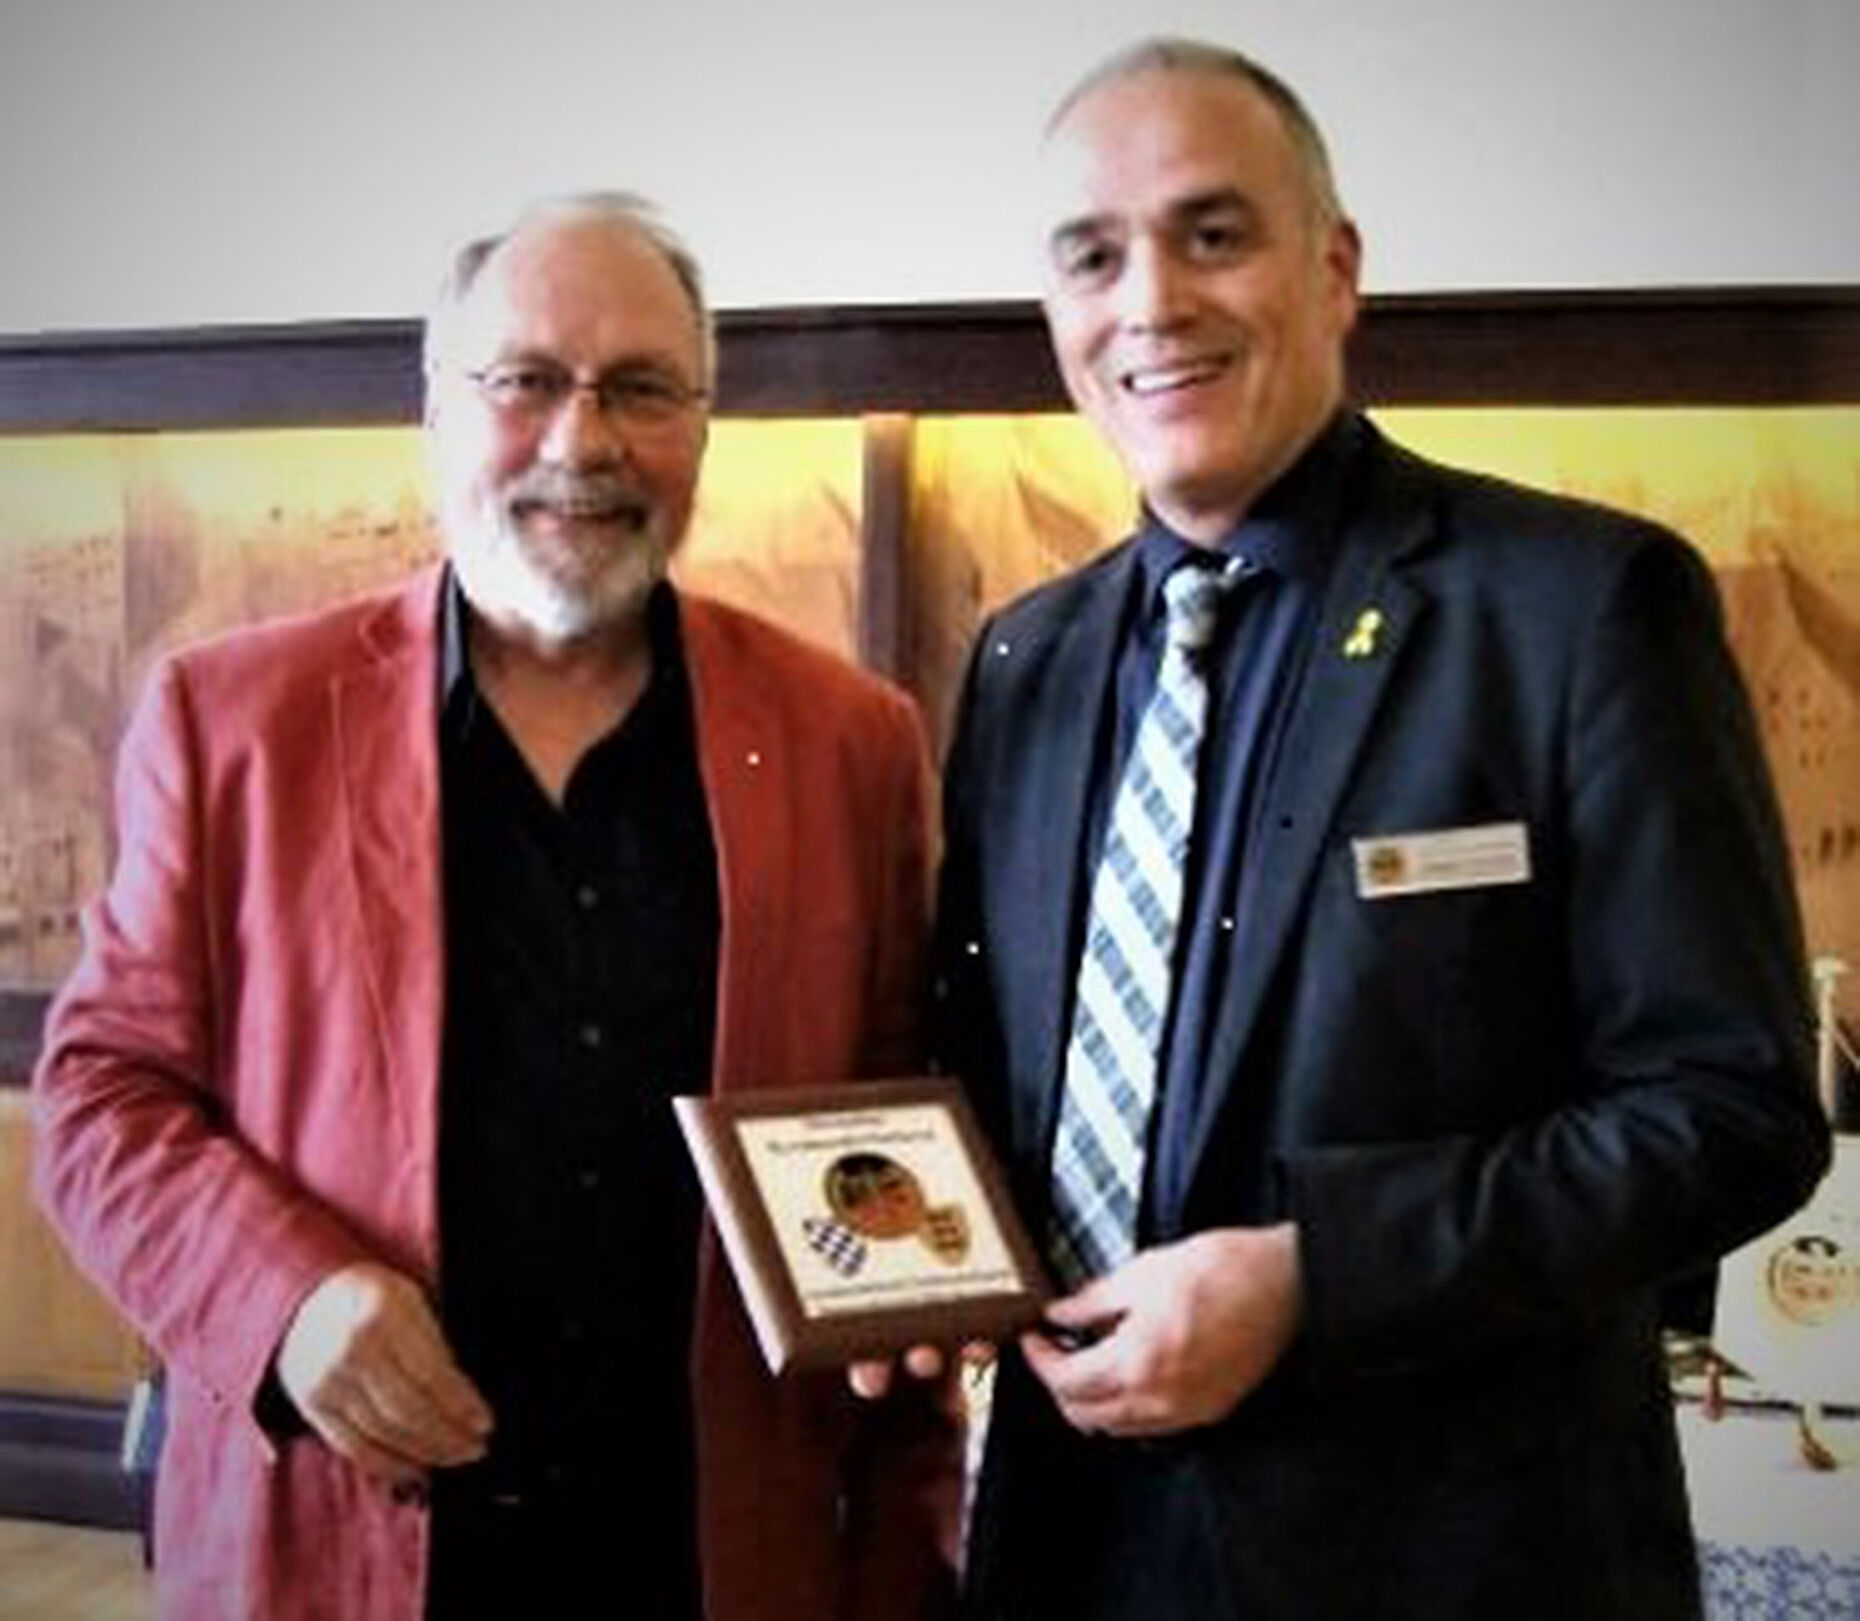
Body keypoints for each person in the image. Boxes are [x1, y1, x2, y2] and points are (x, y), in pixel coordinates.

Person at [926, 38, 1832, 1620]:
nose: (1150, 302)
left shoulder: (1578, 606)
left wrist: (1316, 1278)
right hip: (1072, 1549)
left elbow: (1730, 1110)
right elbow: (979, 1067)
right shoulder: (1025, 660)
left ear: (1335, 269)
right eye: (1093, 255)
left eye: (1215, 233)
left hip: (1453, 1559)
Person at [33, 192, 953, 1620]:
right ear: (437, 415)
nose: (582, 442)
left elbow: (901, 1113)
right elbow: (100, 1091)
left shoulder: (851, 741)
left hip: (718, 1544)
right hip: (348, 1539)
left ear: (702, 425)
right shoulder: (233, 722)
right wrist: (288, 1299)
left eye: (642, 388)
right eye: (524, 381)